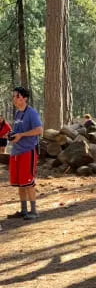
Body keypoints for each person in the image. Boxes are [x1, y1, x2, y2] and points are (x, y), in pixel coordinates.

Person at [7, 87, 43, 220]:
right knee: (20, 183)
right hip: (16, 152)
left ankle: (34, 211)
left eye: (17, 96)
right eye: (13, 97)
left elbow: (39, 130)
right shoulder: (18, 113)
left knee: (28, 183)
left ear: (25, 98)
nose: (14, 99)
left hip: (28, 151)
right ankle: (24, 210)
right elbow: (17, 131)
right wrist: (12, 135)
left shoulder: (32, 113)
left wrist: (22, 135)